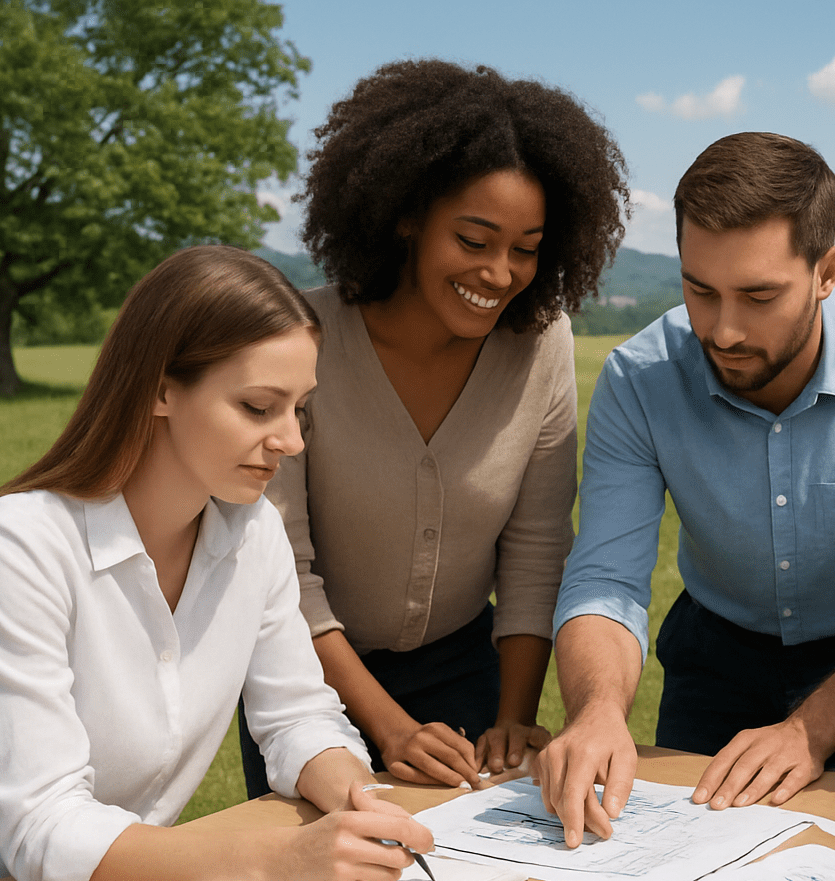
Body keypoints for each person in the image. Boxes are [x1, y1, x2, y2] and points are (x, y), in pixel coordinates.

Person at [0, 246, 434, 881]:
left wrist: (359, 798)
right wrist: (282, 858)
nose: (291, 441)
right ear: (159, 390)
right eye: (259, 407)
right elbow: (46, 831)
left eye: (300, 409)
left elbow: (295, 716)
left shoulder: (253, 534)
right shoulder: (20, 546)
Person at [539, 132, 835, 847]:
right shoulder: (639, 378)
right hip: (713, 661)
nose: (723, 330)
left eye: (758, 295)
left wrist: (810, 729)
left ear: (827, 272)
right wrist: (596, 711)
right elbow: (606, 577)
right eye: (700, 290)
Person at [237, 59, 628, 799]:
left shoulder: (541, 343)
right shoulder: (300, 337)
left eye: (525, 248)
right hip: (302, 679)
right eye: (474, 240)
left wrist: (513, 717)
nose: (499, 273)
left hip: (465, 672)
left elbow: (536, 546)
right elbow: (281, 571)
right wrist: (388, 729)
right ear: (406, 216)